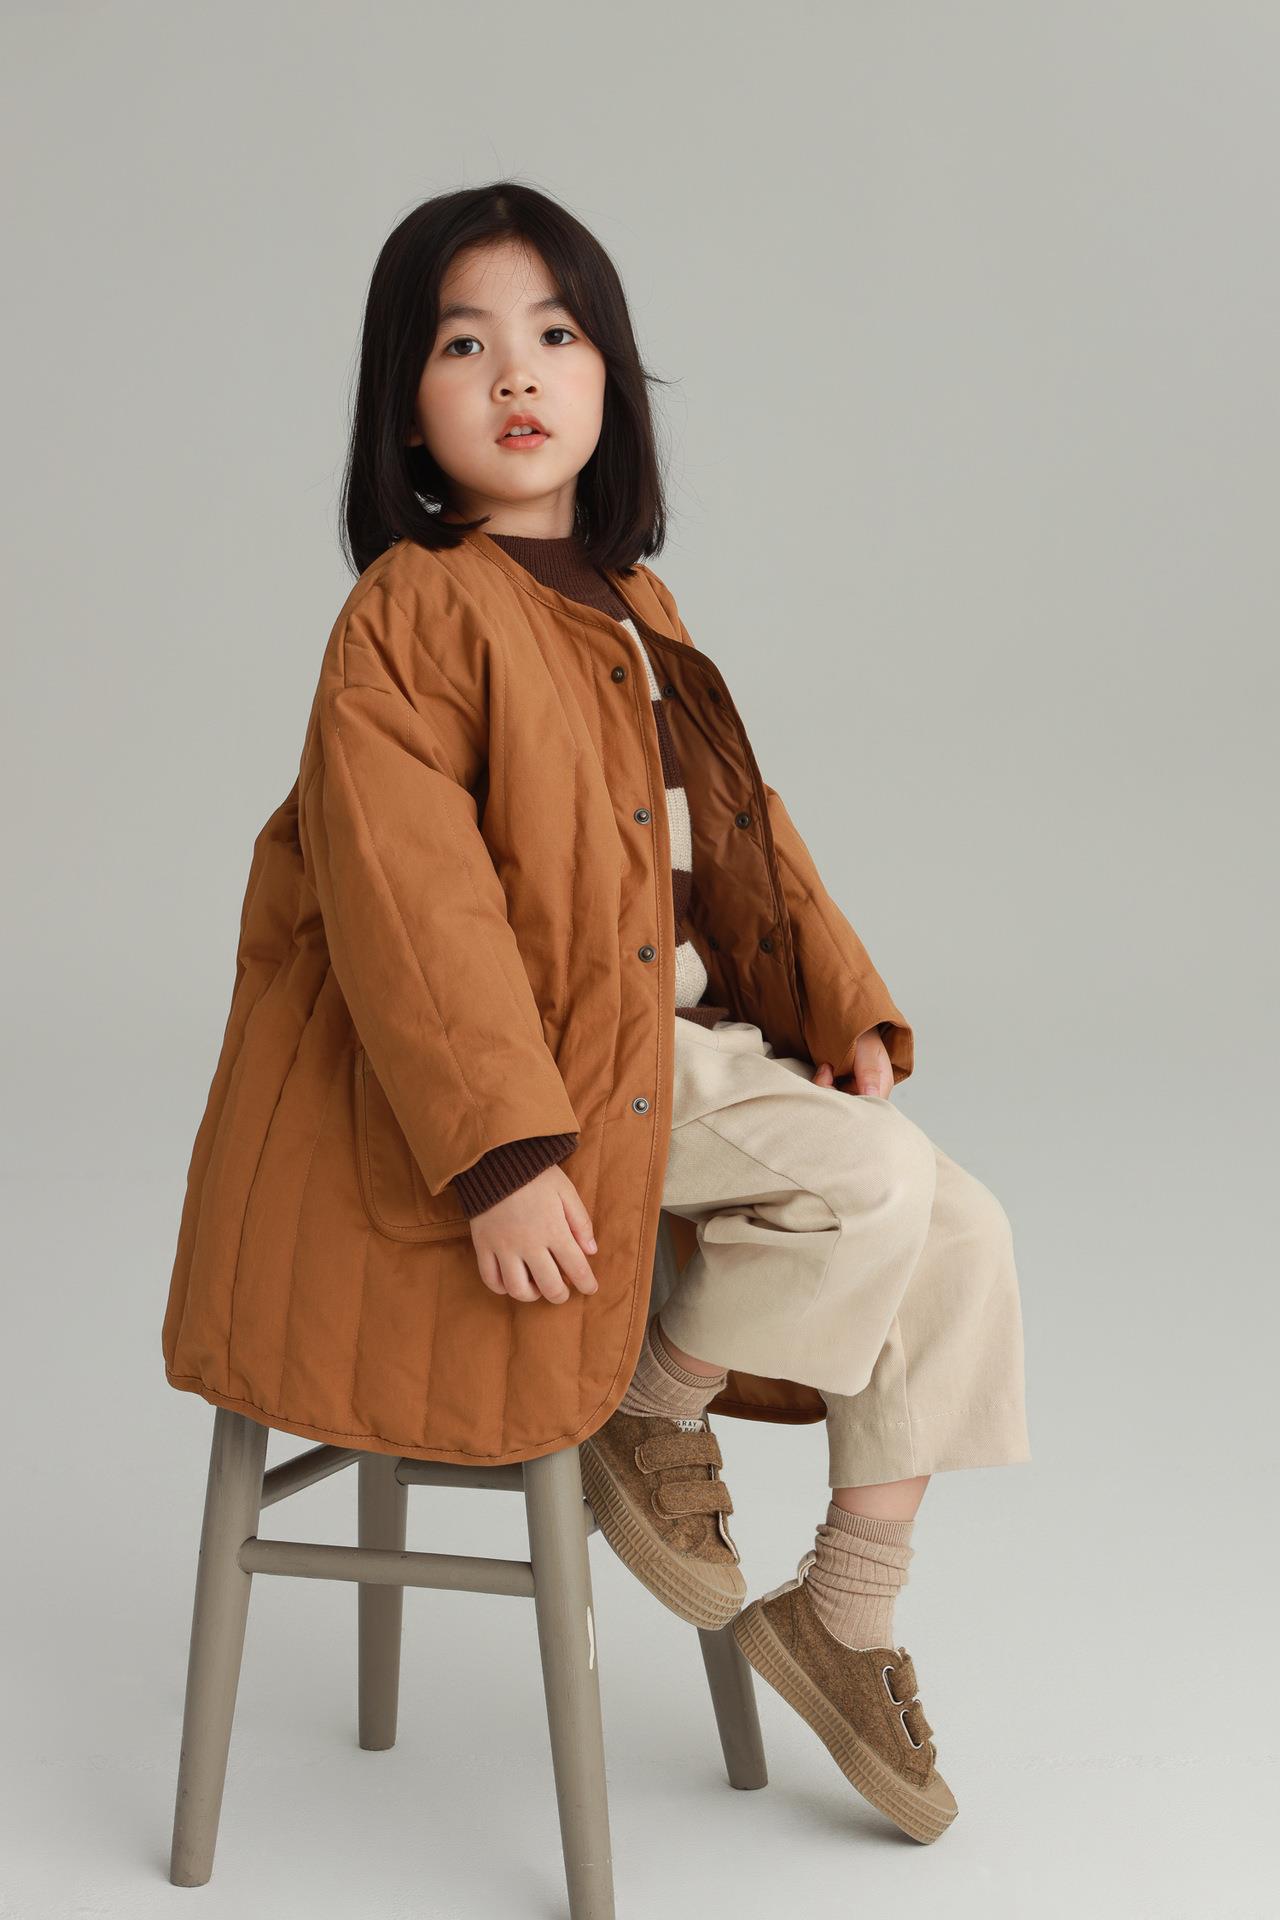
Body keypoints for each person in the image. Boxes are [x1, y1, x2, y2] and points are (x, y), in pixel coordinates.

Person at [163, 179, 1029, 1848]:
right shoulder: (413, 612)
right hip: (550, 1075)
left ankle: (844, 1610)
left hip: (667, 1049)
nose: (516, 372)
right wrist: (502, 1154)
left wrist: (841, 1002)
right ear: (403, 407)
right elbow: (412, 907)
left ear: (609, 381)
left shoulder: (634, 603)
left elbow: (748, 839)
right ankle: (651, 1408)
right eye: (463, 344)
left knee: (964, 1227)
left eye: (555, 334)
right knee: (870, 1182)